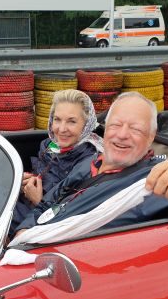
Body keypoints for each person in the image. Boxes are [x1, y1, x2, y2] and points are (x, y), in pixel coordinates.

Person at [14, 92, 168, 238]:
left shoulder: (153, 183)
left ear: (151, 136)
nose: (122, 135)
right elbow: (46, 204)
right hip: (35, 244)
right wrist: (23, 230)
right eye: (116, 125)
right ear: (105, 129)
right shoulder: (89, 165)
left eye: (135, 129)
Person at [9, 89, 103, 235]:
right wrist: (24, 182)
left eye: (71, 121)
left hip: (43, 221)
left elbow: (70, 220)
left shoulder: (89, 164)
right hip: (25, 204)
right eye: (57, 119)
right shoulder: (49, 145)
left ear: (86, 125)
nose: (61, 129)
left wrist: (38, 201)